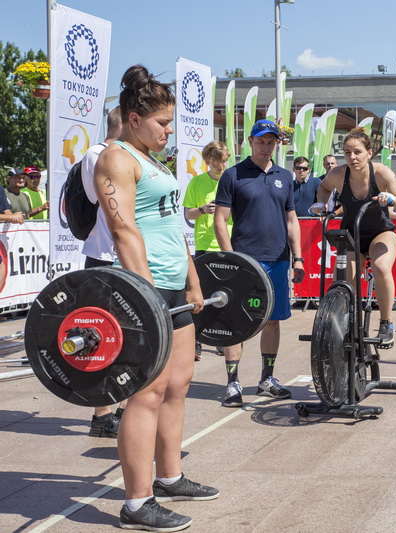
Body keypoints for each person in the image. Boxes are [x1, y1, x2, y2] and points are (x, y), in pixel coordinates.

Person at [94, 65, 218, 532]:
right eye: (162, 123)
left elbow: (172, 226)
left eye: (170, 122)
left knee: (178, 385)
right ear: (133, 119)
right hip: (144, 289)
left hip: (174, 286)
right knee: (145, 394)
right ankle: (136, 503)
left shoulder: (155, 161)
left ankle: (169, 477)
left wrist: (192, 280)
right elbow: (123, 229)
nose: (169, 131)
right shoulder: (117, 159)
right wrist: (147, 295)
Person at [213, 119, 305, 407]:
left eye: (271, 142)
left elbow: (291, 219)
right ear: (250, 142)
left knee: (273, 320)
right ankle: (233, 383)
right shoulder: (233, 175)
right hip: (244, 262)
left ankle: (267, 378)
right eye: (261, 141)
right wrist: (231, 259)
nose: (266, 147)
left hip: (277, 260)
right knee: (236, 321)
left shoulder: (285, 177)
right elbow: (220, 220)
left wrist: (298, 258)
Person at [314, 128, 396, 345]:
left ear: (369, 153)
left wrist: (392, 199)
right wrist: (321, 203)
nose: (352, 157)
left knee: (381, 267)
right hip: (352, 234)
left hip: (381, 232)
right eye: (347, 153)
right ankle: (346, 322)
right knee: (342, 280)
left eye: (357, 152)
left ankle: (386, 322)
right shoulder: (338, 174)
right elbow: (323, 187)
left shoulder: (381, 172)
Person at [81, 106, 127, 438]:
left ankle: (123, 409)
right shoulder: (97, 154)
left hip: (124, 258)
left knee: (129, 338)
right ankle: (101, 415)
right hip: (104, 257)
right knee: (100, 338)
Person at [182, 140, 232, 360]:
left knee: (225, 293)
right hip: (204, 244)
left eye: (223, 161)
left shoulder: (232, 180)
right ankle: (197, 340)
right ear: (207, 161)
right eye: (216, 162)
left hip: (227, 243)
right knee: (201, 293)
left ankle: (221, 338)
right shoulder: (197, 182)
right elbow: (188, 214)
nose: (220, 166)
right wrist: (202, 209)